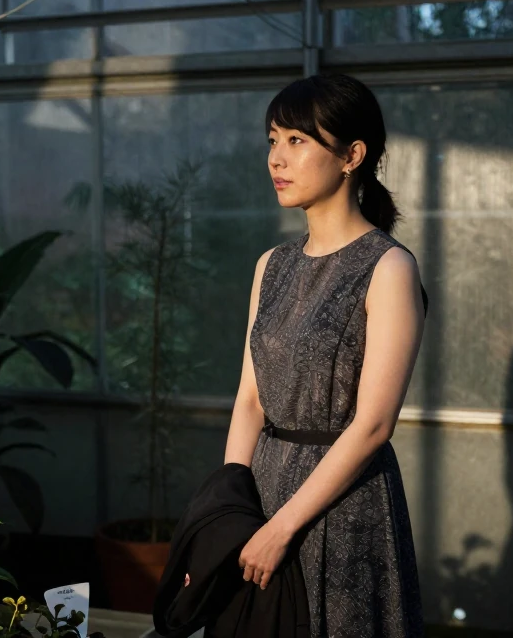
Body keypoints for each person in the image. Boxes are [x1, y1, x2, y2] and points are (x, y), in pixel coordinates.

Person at [220, 73, 428, 638]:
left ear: (351, 156)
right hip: (261, 493)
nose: (276, 159)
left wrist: (282, 528)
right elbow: (249, 400)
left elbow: (374, 425)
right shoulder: (272, 265)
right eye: (272, 140)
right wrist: (229, 511)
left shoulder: (387, 268)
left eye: (297, 140)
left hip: (346, 508)